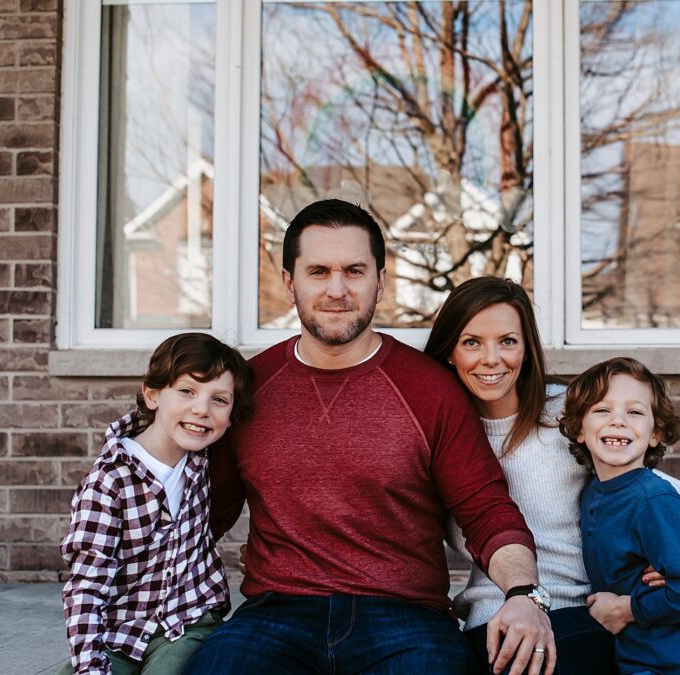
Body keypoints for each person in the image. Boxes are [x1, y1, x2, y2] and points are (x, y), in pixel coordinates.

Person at [185, 199, 555, 675]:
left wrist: (525, 595)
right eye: (318, 271)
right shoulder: (248, 388)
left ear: (380, 281)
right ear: (288, 281)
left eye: (354, 271)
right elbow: (199, 516)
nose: (337, 290)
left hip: (405, 618)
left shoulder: (430, 389)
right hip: (276, 614)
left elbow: (487, 512)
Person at [424, 277, 680, 674]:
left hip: (583, 609)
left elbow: (679, 500)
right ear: (449, 352)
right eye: (472, 342)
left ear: (528, 349)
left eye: (508, 341)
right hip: (493, 612)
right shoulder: (434, 438)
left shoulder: (567, 417)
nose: (491, 359)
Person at [59, 333, 253, 675]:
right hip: (121, 630)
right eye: (187, 391)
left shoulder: (208, 463)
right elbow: (86, 585)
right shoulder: (109, 482)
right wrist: (90, 666)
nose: (201, 409)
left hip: (191, 620)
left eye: (219, 399)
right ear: (152, 394)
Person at [559, 357, 680, 675]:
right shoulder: (592, 492)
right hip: (642, 655)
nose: (618, 421)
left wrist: (628, 608)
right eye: (602, 410)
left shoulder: (655, 500)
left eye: (634, 412)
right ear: (580, 429)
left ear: (654, 434)